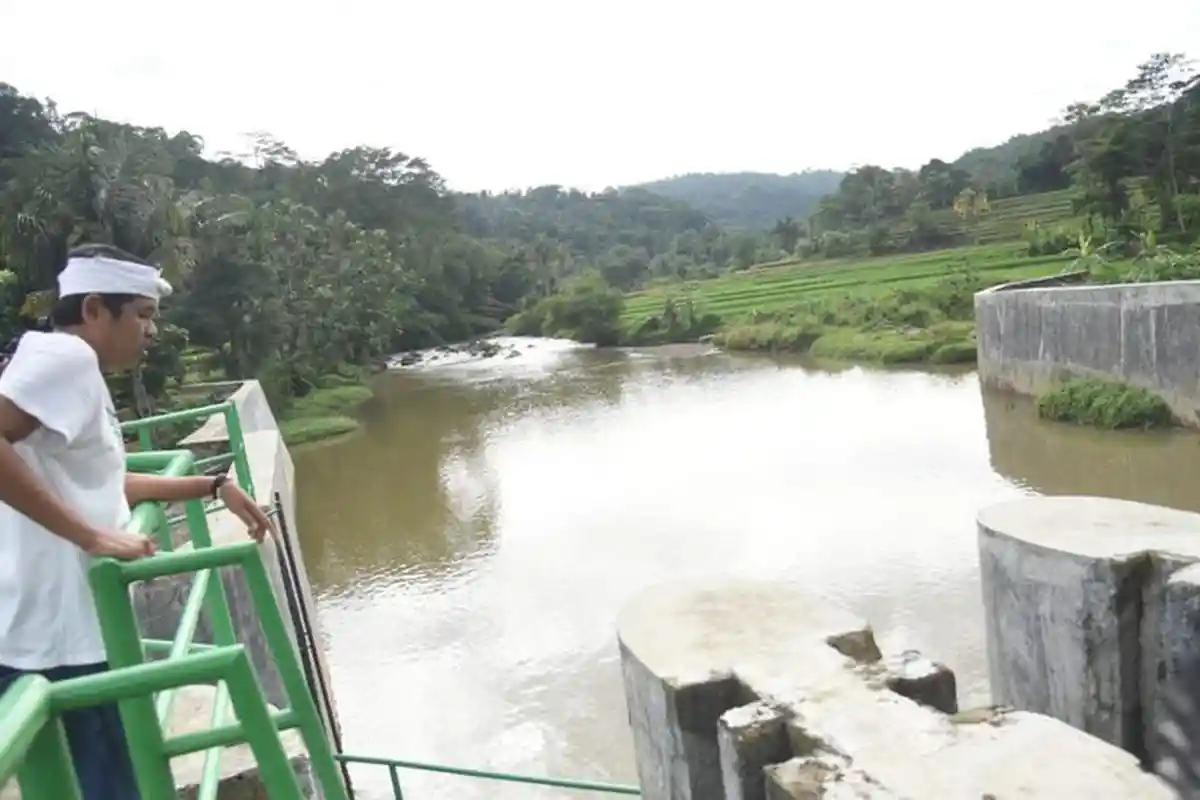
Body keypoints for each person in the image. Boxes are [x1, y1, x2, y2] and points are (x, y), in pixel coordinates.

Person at [0, 244, 273, 800]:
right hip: (61, 635)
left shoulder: (57, 363)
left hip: (54, 628)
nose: (152, 331)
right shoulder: (66, 360)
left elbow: (96, 481)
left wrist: (211, 485)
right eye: (143, 315)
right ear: (96, 308)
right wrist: (91, 536)